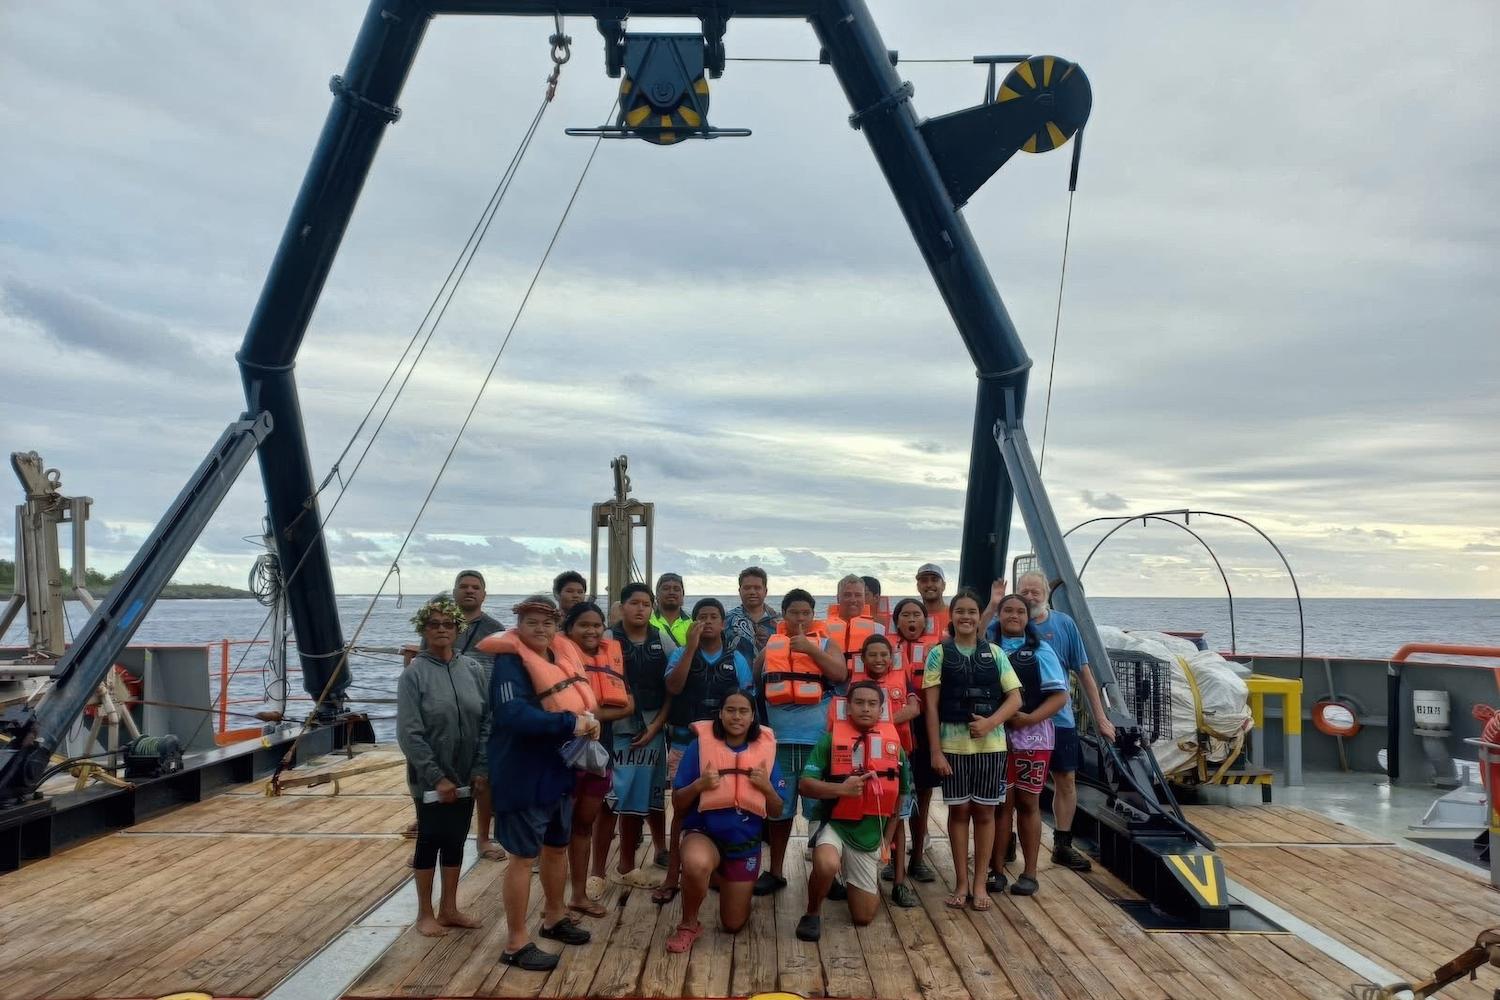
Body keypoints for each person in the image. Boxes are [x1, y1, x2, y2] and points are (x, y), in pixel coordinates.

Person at [478, 595, 601, 971]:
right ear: (518, 625)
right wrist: (570, 724)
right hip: (522, 773)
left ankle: (553, 916)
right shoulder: (510, 663)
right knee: (521, 857)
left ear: (556, 626)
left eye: (547, 623)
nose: (540, 629)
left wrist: (586, 721)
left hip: (558, 770)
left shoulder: (557, 658)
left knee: (556, 847)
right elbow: (512, 715)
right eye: (531, 622)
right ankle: (516, 942)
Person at [985, 570, 1116, 872]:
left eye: (1035, 591)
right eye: (1023, 592)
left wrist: (1101, 717)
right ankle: (1006, 842)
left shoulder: (1063, 625)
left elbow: (1083, 671)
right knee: (1012, 789)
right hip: (1014, 722)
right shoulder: (1000, 626)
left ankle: (1063, 842)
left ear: (1046, 593)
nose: (1030, 597)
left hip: (1056, 720)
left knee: (1064, 780)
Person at [396, 596, 490, 937]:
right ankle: (425, 913)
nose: (441, 630)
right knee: (430, 839)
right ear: (423, 629)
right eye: (433, 624)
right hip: (429, 779)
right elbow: (409, 733)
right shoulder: (414, 676)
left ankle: (450, 907)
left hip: (466, 773)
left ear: (457, 630)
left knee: (455, 838)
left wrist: (480, 768)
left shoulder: (473, 670)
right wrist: (436, 777)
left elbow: (485, 720)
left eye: (447, 625)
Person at [665, 690, 787, 954]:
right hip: (704, 834)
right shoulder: (700, 747)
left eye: (743, 711)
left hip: (744, 844)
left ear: (753, 716)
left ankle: (718, 876)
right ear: (720, 714)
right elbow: (677, 803)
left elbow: (777, 810)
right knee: (696, 863)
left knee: (732, 924)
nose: (736, 716)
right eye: (730, 710)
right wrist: (700, 784)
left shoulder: (765, 751)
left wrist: (766, 788)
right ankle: (688, 924)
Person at [923, 588, 1021, 911]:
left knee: (985, 812)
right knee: (959, 811)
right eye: (960, 611)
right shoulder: (939, 654)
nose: (966, 616)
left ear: (980, 617)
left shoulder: (995, 654)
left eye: (972, 611)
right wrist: (936, 752)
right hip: (953, 747)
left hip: (990, 748)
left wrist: (990, 723)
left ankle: (980, 882)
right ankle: (961, 882)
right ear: (951, 616)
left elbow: (1015, 699)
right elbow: (932, 707)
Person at [656, 597, 754, 904]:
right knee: (681, 810)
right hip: (686, 743)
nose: (708, 622)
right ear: (693, 623)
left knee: (723, 805)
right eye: (702, 617)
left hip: (726, 747)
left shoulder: (736, 659)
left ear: (723, 623)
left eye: (713, 617)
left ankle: (716, 868)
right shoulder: (681, 654)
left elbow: (746, 700)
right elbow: (673, 687)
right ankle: (673, 876)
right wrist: (690, 647)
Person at [795, 679, 910, 940]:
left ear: (881, 710)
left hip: (869, 834)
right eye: (859, 703)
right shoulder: (829, 741)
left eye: (872, 704)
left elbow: (900, 798)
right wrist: (841, 790)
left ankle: (853, 877)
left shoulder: (895, 748)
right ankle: (812, 912)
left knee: (863, 917)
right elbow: (805, 784)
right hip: (833, 823)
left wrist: (887, 840)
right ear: (848, 708)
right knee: (826, 864)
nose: (865, 708)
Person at [751, 588, 847, 897]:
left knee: (820, 810)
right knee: (779, 810)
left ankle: (825, 875)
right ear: (785, 615)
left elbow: (840, 673)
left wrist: (810, 650)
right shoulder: (771, 647)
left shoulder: (826, 643)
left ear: (813, 614)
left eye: (806, 612)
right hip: (779, 742)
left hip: (816, 742)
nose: (801, 618)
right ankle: (776, 870)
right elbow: (756, 678)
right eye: (794, 613)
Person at [592, 582, 674, 892]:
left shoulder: (661, 640)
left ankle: (625, 866)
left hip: (652, 731)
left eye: (645, 603)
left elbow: (672, 691)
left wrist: (657, 728)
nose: (640, 608)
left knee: (638, 801)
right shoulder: (608, 640)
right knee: (609, 801)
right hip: (615, 732)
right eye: (634, 603)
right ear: (621, 607)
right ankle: (596, 873)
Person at [988, 595, 1069, 896]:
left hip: (1032, 735)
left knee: (1028, 803)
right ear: (998, 615)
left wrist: (1030, 717)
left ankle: (1030, 872)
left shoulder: (1040, 651)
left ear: (1028, 617)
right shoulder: (989, 649)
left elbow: (1060, 696)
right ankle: (995, 869)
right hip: (995, 736)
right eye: (1007, 610)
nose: (1013, 615)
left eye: (1020, 611)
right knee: (999, 804)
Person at [560, 602, 634, 918]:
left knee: (584, 825)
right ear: (569, 629)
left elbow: (628, 702)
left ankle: (578, 895)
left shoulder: (610, 658)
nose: (591, 631)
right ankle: (553, 902)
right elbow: (563, 711)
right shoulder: (556, 660)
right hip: (561, 754)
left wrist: (594, 716)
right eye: (583, 625)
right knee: (556, 828)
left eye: (596, 625)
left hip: (597, 754)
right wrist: (595, 717)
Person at [848, 635, 920, 908]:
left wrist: (882, 717)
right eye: (873, 654)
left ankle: (900, 883)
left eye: (884, 654)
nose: (879, 659)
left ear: (892, 658)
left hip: (895, 756)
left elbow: (915, 707)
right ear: (863, 658)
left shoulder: (904, 678)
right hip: (860, 758)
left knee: (898, 817)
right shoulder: (854, 684)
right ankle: (854, 878)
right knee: (854, 812)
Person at [451, 570, 506, 861]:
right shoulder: (443, 626)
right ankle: (438, 836)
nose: (469, 591)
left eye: (475, 587)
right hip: (448, 713)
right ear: (454, 592)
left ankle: (483, 838)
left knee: (483, 780)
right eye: (464, 587)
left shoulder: (495, 630)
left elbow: (503, 672)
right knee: (445, 776)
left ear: (484, 594)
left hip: (484, 712)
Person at [886, 598, 940, 887]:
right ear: (896, 622)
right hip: (895, 729)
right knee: (895, 797)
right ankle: (893, 859)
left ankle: (917, 859)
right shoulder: (885, 652)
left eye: (916, 615)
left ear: (925, 621)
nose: (911, 620)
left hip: (926, 726)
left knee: (923, 798)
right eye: (905, 615)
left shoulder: (938, 651)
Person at [824, 574, 885, 676]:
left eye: (858, 595)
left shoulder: (879, 630)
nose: (853, 600)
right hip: (831, 685)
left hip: (866, 685)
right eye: (847, 595)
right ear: (838, 598)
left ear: (864, 598)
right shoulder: (823, 630)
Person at [724, 566, 781, 660]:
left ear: (765, 591)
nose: (752, 592)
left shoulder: (780, 621)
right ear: (740, 591)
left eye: (757, 588)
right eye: (747, 588)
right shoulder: (727, 620)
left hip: (772, 673)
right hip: (735, 673)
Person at [916, 563, 950, 638]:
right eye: (924, 581)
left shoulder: (954, 616)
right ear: (918, 587)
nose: (929, 585)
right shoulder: (911, 618)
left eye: (934, 580)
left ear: (943, 585)